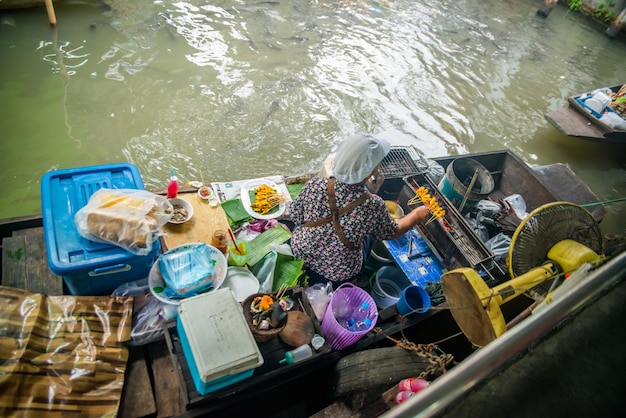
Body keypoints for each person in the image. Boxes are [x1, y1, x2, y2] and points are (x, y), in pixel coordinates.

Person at [289, 133, 430, 287]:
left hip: (301, 251)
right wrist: (417, 214)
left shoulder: (314, 185)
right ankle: (353, 279)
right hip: (336, 272)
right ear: (369, 172)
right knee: (369, 236)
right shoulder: (373, 206)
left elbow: (296, 217)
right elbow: (391, 232)